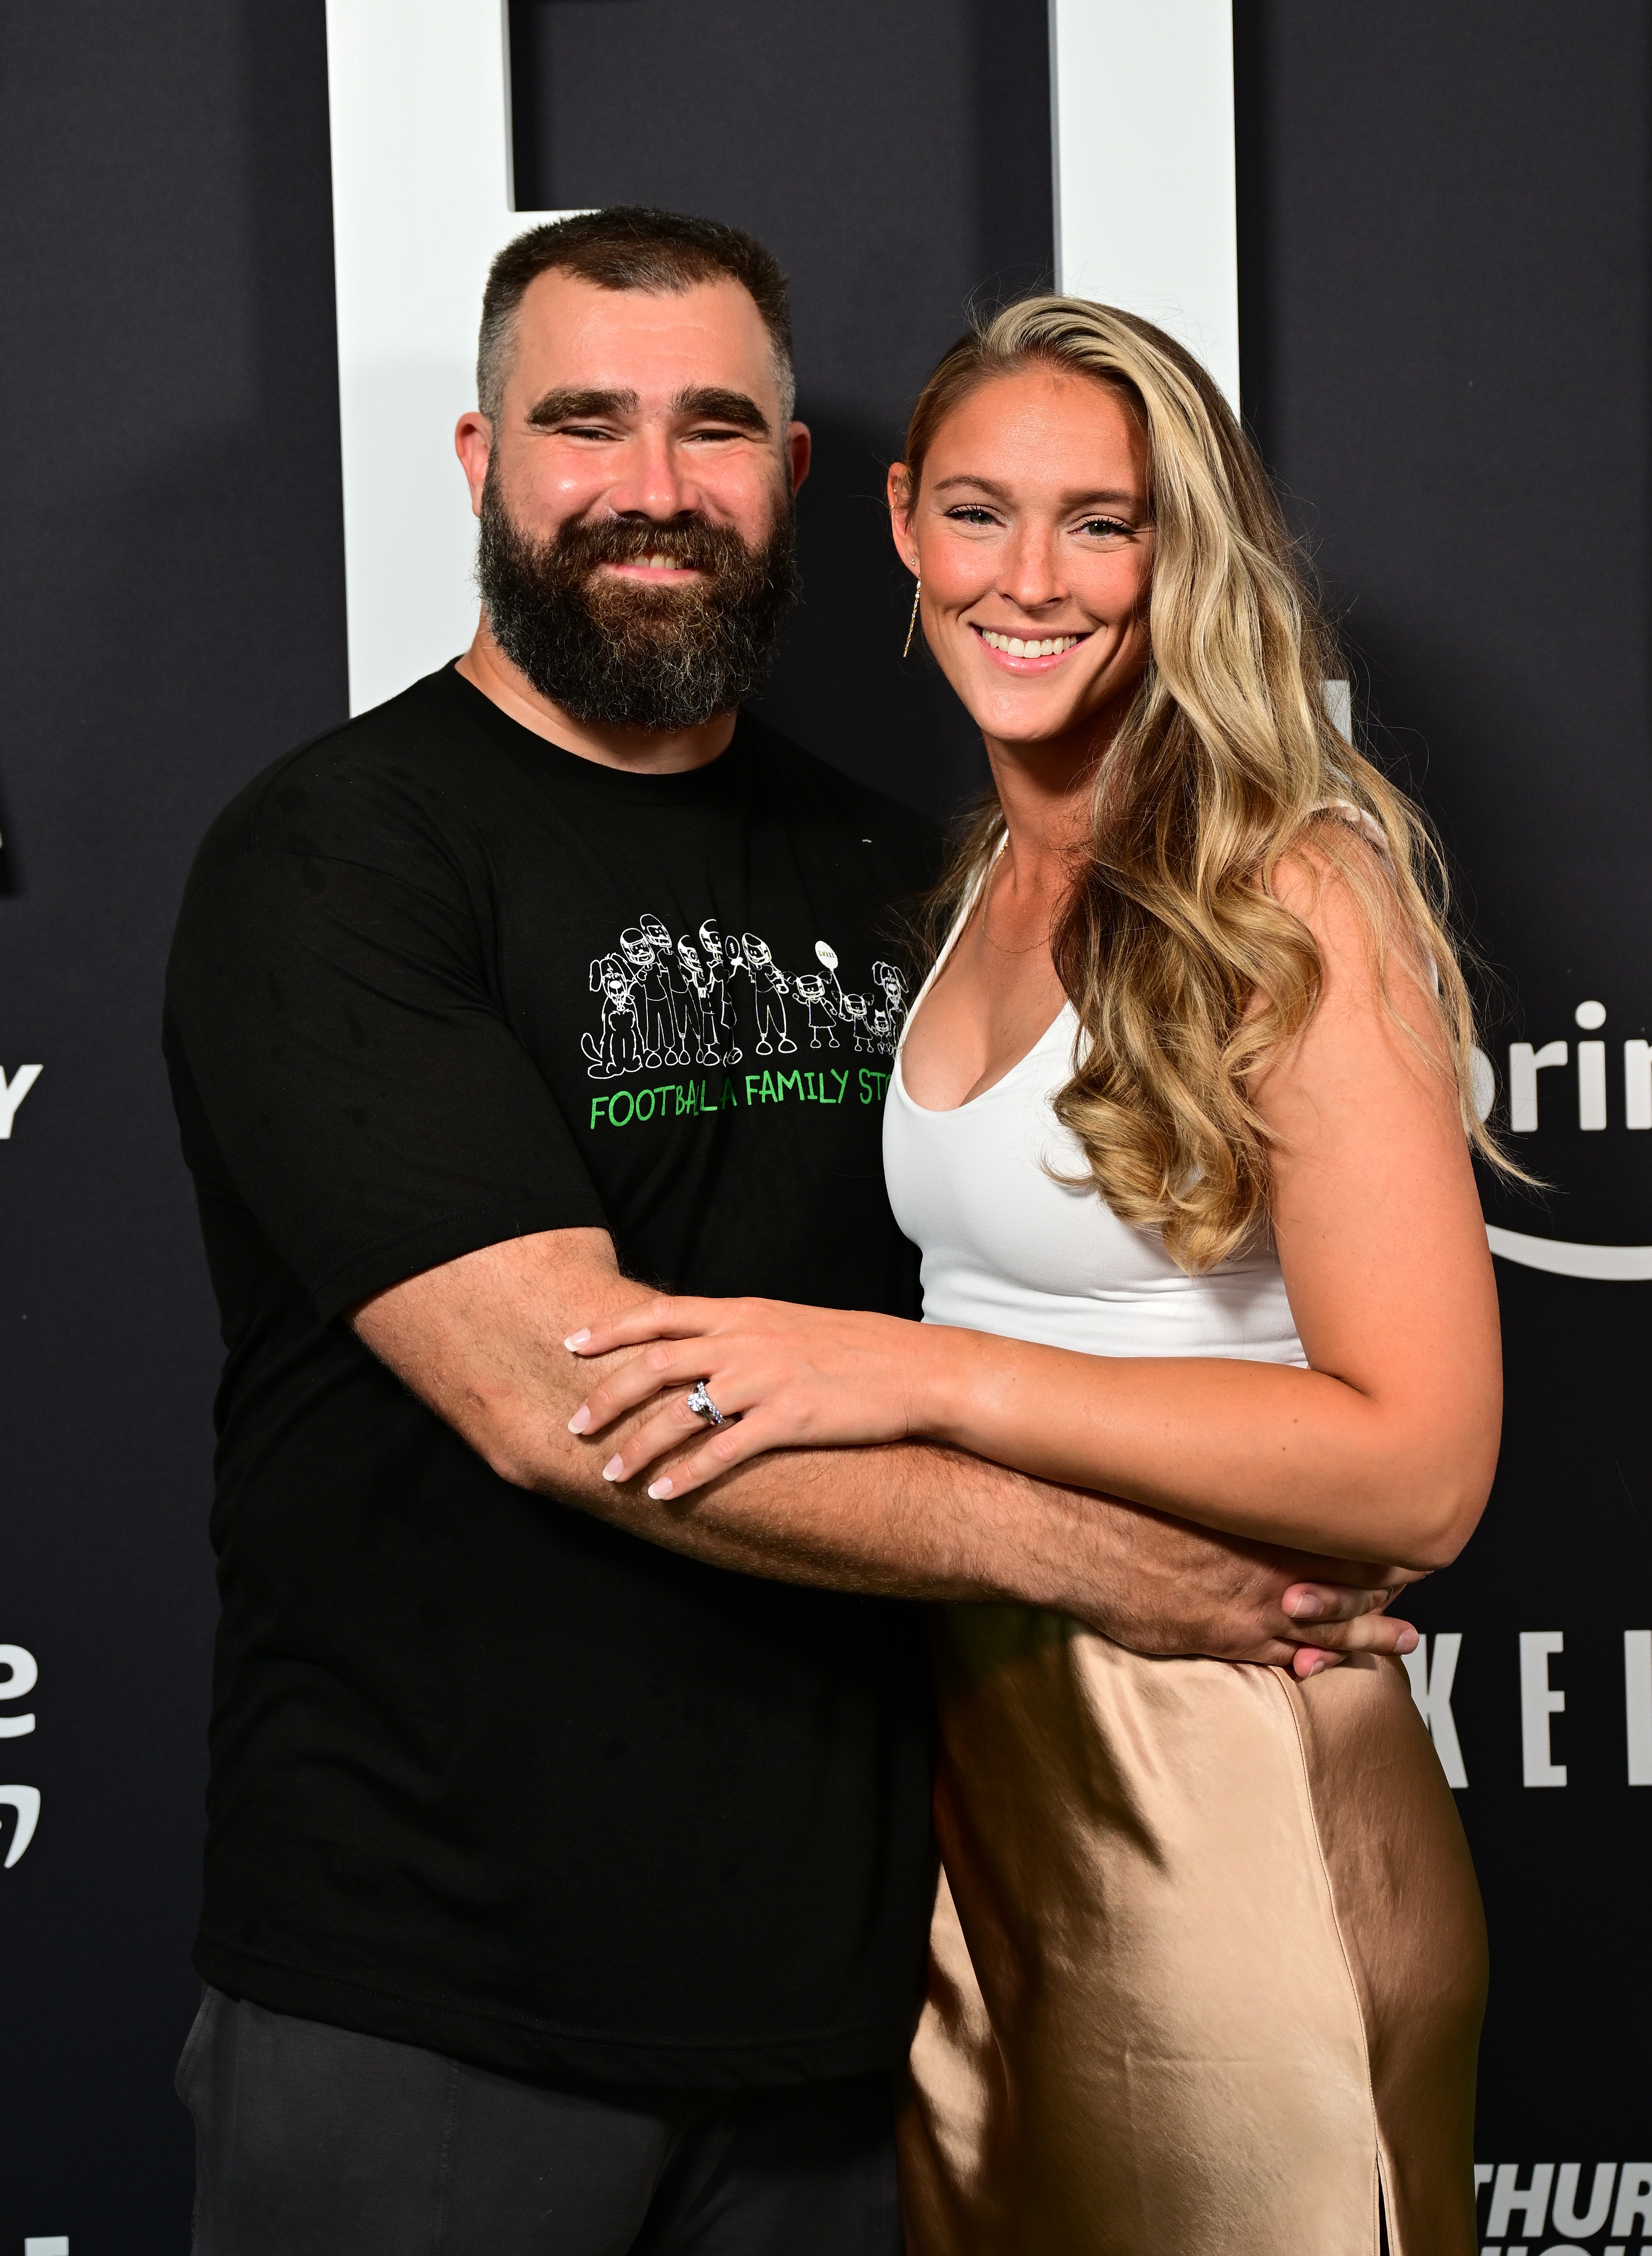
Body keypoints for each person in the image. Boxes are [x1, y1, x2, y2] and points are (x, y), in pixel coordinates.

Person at [164, 210, 1419, 2256]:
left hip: (862, 2008)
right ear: (485, 468)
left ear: (802, 480)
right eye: (586, 426)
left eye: (714, 427)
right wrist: (1125, 1573)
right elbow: (564, 1398)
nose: (653, 490)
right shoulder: (338, 857)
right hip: (443, 1990)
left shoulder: (908, 876)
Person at [567, 298, 1498, 2253]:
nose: (1031, 581)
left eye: (1104, 525)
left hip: (1225, 1752)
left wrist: (921, 1379)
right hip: (983, 1769)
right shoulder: (983, 868)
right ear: (902, 524)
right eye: (983, 513)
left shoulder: (1288, 885)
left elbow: (1421, 1468)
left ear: (1190, 554)